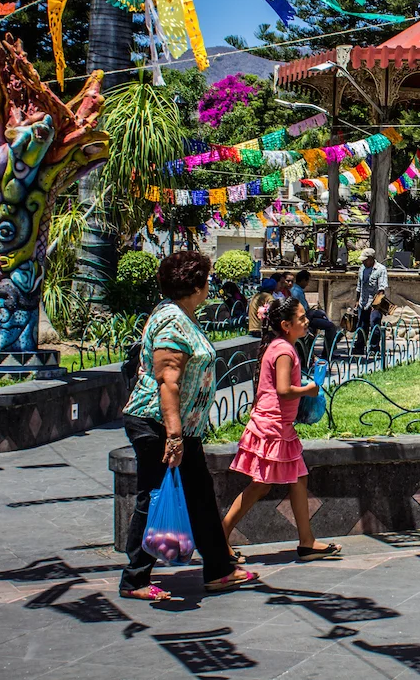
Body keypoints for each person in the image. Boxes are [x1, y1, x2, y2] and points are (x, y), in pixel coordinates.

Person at [118, 251, 257, 601]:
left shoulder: (183, 315)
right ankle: (134, 579)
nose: (209, 285)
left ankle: (218, 570)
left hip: (181, 428)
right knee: (154, 495)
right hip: (158, 424)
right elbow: (168, 382)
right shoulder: (172, 322)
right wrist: (175, 436)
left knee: (199, 495)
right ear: (194, 284)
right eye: (206, 280)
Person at [221, 297, 341, 563]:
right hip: (271, 427)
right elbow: (284, 390)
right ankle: (220, 537)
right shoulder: (284, 351)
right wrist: (309, 390)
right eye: (301, 318)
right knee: (261, 486)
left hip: (278, 426)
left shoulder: (280, 346)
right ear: (286, 325)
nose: (307, 321)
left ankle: (307, 541)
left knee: (298, 479)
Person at [291, 269, 338, 360]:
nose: (307, 284)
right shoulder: (296, 291)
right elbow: (303, 310)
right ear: (303, 280)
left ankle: (328, 349)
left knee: (322, 315)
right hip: (304, 318)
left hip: (307, 315)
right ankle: (328, 352)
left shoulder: (297, 289)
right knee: (330, 326)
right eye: (307, 281)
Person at [353, 248, 388, 355]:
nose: (363, 262)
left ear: (371, 259)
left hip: (375, 303)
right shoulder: (362, 269)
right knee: (361, 325)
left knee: (374, 323)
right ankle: (359, 346)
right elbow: (359, 286)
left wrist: (376, 303)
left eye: (365, 260)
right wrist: (356, 300)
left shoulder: (381, 269)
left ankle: (374, 348)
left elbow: (381, 288)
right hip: (363, 302)